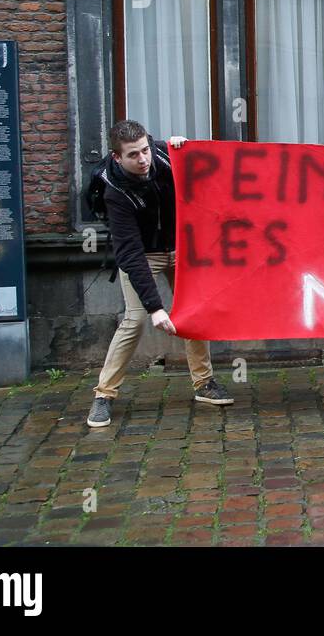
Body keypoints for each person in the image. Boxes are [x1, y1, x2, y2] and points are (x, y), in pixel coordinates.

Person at [86, 120, 233, 428]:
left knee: (193, 312)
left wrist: (187, 150)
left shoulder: (164, 156)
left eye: (144, 151)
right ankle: (104, 394)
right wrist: (155, 308)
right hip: (144, 256)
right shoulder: (115, 193)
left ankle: (204, 383)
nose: (142, 160)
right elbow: (129, 254)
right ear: (117, 158)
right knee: (135, 319)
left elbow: (208, 173)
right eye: (132, 155)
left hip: (181, 249)